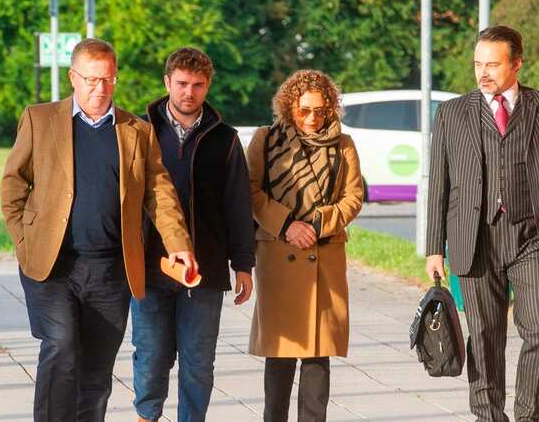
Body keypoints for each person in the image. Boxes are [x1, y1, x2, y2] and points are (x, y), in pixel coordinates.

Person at [0, 38, 196, 421]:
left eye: (107, 79)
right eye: (90, 79)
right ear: (73, 77)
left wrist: (179, 245)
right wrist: (24, 242)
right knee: (60, 347)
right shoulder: (39, 119)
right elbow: (12, 185)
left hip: (110, 271)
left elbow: (159, 191)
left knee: (95, 369)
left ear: (115, 78)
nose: (99, 88)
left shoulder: (135, 130)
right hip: (52, 266)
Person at [424, 25, 539, 422]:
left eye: (493, 64)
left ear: (517, 63)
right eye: (478, 63)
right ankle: (489, 417)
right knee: (483, 337)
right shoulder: (452, 112)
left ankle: (528, 417)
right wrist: (433, 247)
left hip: (530, 235)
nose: (483, 72)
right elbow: (439, 181)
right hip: (473, 237)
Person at [130, 47, 255, 422]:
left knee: (198, 363)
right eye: (182, 84)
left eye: (198, 85)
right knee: (151, 357)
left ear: (207, 86)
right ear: (167, 82)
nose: (189, 92)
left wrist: (244, 265)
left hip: (207, 271)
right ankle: (146, 417)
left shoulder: (226, 139)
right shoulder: (138, 131)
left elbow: (239, 206)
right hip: (151, 269)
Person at [246, 69, 364, 422]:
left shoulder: (343, 145)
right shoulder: (266, 140)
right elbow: (250, 191)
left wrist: (315, 224)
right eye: (304, 111)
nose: (313, 118)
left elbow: (353, 197)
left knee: (317, 356)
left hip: (323, 255)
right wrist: (287, 224)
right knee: (280, 356)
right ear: (289, 108)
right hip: (278, 255)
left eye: (320, 111)